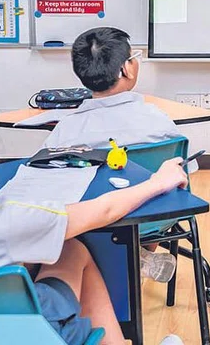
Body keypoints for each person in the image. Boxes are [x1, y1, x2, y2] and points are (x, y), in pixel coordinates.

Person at [0, 80, 188, 345]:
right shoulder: (6, 220)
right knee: (72, 250)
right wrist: (156, 182)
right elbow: (104, 209)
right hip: (19, 334)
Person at [41, 26, 183, 283]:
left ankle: (121, 262)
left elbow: (49, 185)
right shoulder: (157, 121)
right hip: (154, 218)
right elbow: (182, 173)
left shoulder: (67, 130)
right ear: (126, 69)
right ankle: (138, 257)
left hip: (91, 224)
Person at [42, 27, 179, 150]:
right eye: (133, 57)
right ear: (126, 69)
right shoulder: (157, 120)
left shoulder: (64, 131)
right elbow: (184, 166)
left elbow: (41, 171)